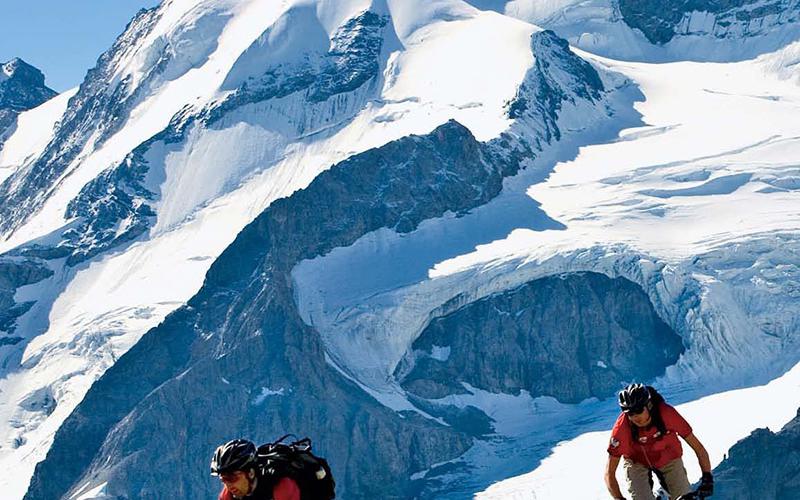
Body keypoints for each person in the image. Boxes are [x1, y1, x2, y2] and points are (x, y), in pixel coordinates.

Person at [604, 384, 714, 500]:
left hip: (668, 457)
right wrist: (619, 498)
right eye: (630, 413)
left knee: (684, 496)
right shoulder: (622, 428)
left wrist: (707, 477)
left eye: (638, 410)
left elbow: (698, 448)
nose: (635, 416)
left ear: (649, 405)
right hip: (636, 461)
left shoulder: (667, 414)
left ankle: (663, 494)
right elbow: (609, 473)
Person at [211, 439, 301, 500]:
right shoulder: (229, 495)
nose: (228, 485)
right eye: (223, 479)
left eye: (232, 478)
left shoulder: (281, 487)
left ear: (251, 473)